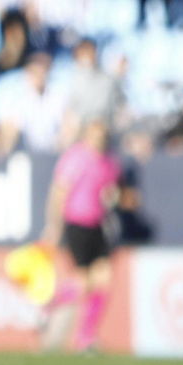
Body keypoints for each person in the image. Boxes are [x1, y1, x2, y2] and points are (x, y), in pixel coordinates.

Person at [40, 119, 121, 352]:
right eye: (95, 136)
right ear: (87, 136)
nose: (99, 141)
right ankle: (48, 303)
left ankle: (86, 337)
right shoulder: (75, 158)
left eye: (103, 137)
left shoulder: (109, 162)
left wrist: (112, 197)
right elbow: (59, 191)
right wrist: (54, 225)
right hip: (77, 222)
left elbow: (110, 191)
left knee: (103, 279)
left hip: (97, 225)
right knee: (84, 282)